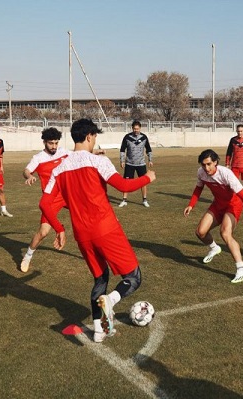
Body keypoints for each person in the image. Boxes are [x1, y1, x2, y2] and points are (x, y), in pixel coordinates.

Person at [39, 119, 156, 343]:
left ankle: (99, 331)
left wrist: (59, 228)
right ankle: (111, 300)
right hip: (105, 228)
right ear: (90, 136)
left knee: (100, 278)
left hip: (81, 233)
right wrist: (147, 178)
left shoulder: (59, 168)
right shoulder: (97, 161)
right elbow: (123, 186)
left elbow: (44, 204)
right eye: (95, 137)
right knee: (133, 277)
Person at [184, 149, 243, 283]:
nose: (206, 168)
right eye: (203, 165)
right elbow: (198, 188)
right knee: (200, 232)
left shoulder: (226, 174)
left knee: (225, 233)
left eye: (209, 164)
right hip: (218, 204)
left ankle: (241, 269)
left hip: (233, 205)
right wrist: (191, 205)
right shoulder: (201, 172)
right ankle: (214, 248)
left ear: (215, 162)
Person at [20, 127, 70, 272]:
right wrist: (29, 176)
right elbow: (26, 170)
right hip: (51, 199)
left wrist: (96, 153)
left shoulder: (64, 152)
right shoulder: (38, 158)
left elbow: (80, 155)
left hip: (68, 195)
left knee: (88, 215)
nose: (54, 146)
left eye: (56, 143)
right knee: (43, 232)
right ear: (44, 142)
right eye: (51, 143)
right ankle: (27, 256)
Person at [118, 120, 153, 208]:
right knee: (126, 182)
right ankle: (124, 200)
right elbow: (122, 150)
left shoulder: (144, 137)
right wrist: (122, 161)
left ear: (140, 128)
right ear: (132, 128)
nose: (136, 130)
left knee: (143, 182)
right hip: (129, 163)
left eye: (137, 129)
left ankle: (144, 200)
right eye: (134, 129)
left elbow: (148, 149)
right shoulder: (127, 137)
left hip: (141, 164)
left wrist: (150, 160)